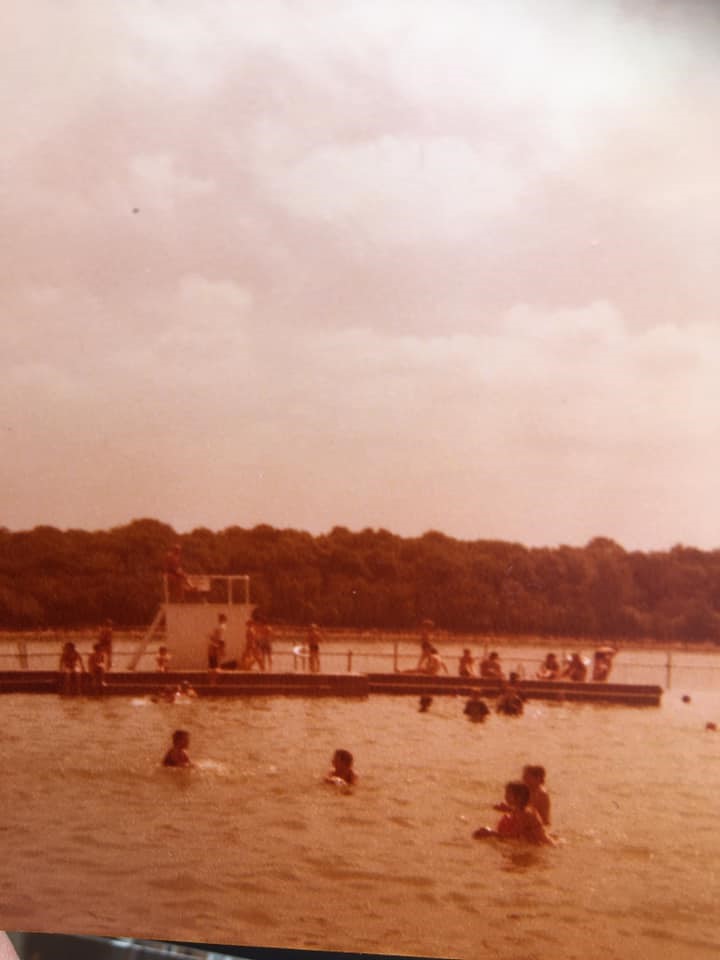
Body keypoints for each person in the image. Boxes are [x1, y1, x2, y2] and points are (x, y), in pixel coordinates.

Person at [473, 781, 553, 845]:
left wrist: (490, 833)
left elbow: (513, 836)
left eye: (508, 794)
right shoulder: (519, 810)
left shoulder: (527, 814)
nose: (505, 796)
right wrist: (507, 809)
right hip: (536, 845)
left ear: (519, 798)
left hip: (545, 846)